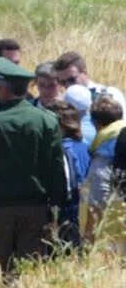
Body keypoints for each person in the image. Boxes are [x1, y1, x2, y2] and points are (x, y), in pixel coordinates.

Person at [0, 56, 66, 279]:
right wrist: (55, 212)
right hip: (36, 209)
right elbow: (57, 170)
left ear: (3, 88)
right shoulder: (47, 121)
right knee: (29, 273)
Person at [45, 100, 88, 249]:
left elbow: (66, 185)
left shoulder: (61, 150)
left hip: (66, 212)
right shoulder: (85, 147)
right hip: (84, 210)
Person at [83, 94, 124, 242]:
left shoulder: (104, 150)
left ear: (97, 124)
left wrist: (89, 234)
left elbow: (99, 192)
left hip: (114, 226)